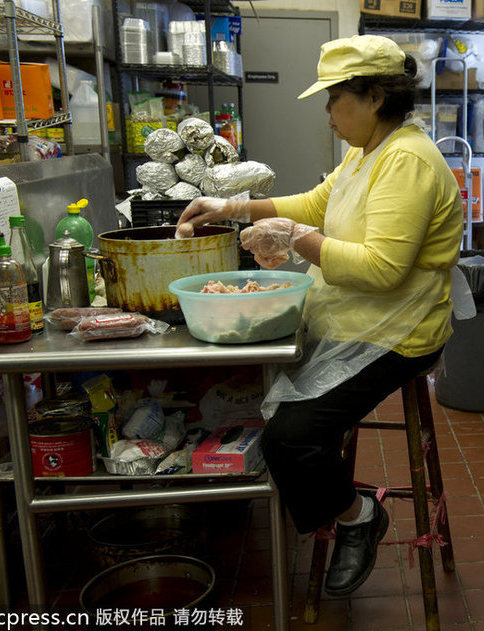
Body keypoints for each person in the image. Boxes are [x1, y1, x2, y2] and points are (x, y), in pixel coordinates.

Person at [174, 34, 465, 596]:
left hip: (398, 331)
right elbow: (316, 204)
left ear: (375, 96)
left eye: (335, 98)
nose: (328, 113)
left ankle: (358, 516)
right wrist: (231, 207)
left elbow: (383, 270)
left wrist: (299, 239)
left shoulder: (407, 161)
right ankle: (325, 500)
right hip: (354, 314)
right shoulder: (366, 152)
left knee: (290, 438)